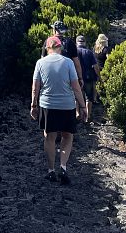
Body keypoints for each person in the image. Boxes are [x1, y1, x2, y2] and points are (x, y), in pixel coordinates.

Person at [31, 35, 87, 185]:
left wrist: (33, 105)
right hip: (67, 105)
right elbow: (75, 87)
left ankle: (50, 170)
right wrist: (82, 106)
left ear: (47, 48)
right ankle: (63, 166)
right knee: (67, 136)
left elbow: (35, 87)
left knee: (49, 137)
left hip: (47, 105)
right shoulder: (68, 62)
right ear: (60, 48)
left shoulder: (40, 63)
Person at [41, 21, 84, 88]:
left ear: (54, 30)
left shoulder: (48, 41)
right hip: (66, 74)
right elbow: (76, 62)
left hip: (50, 74)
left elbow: (42, 60)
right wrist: (80, 77)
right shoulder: (70, 42)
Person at [76, 35, 100, 122]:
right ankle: (87, 116)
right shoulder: (89, 52)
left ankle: (77, 113)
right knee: (88, 97)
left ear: (77, 43)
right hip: (88, 77)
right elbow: (95, 66)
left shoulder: (74, 52)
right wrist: (98, 76)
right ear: (84, 43)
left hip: (76, 78)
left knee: (77, 96)